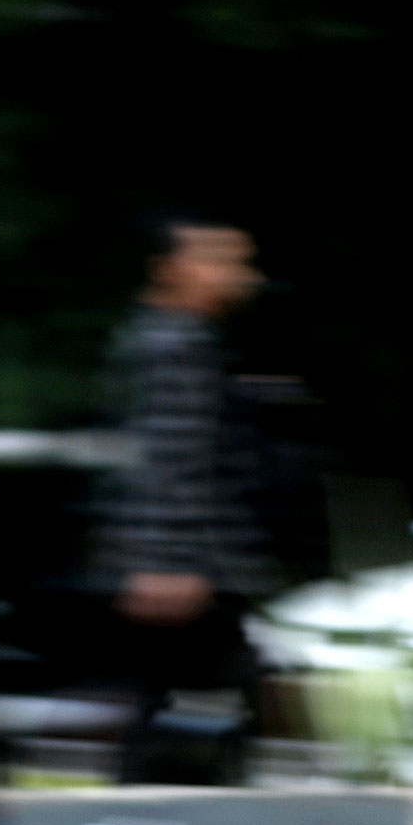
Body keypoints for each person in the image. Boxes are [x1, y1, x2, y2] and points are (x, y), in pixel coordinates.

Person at [96, 216, 270, 782]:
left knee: (172, 711)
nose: (240, 276)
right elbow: (172, 458)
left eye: (241, 262)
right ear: (168, 270)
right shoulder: (176, 346)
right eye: (219, 260)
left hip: (181, 565)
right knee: (191, 712)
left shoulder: (165, 338)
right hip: (180, 573)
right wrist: (169, 563)